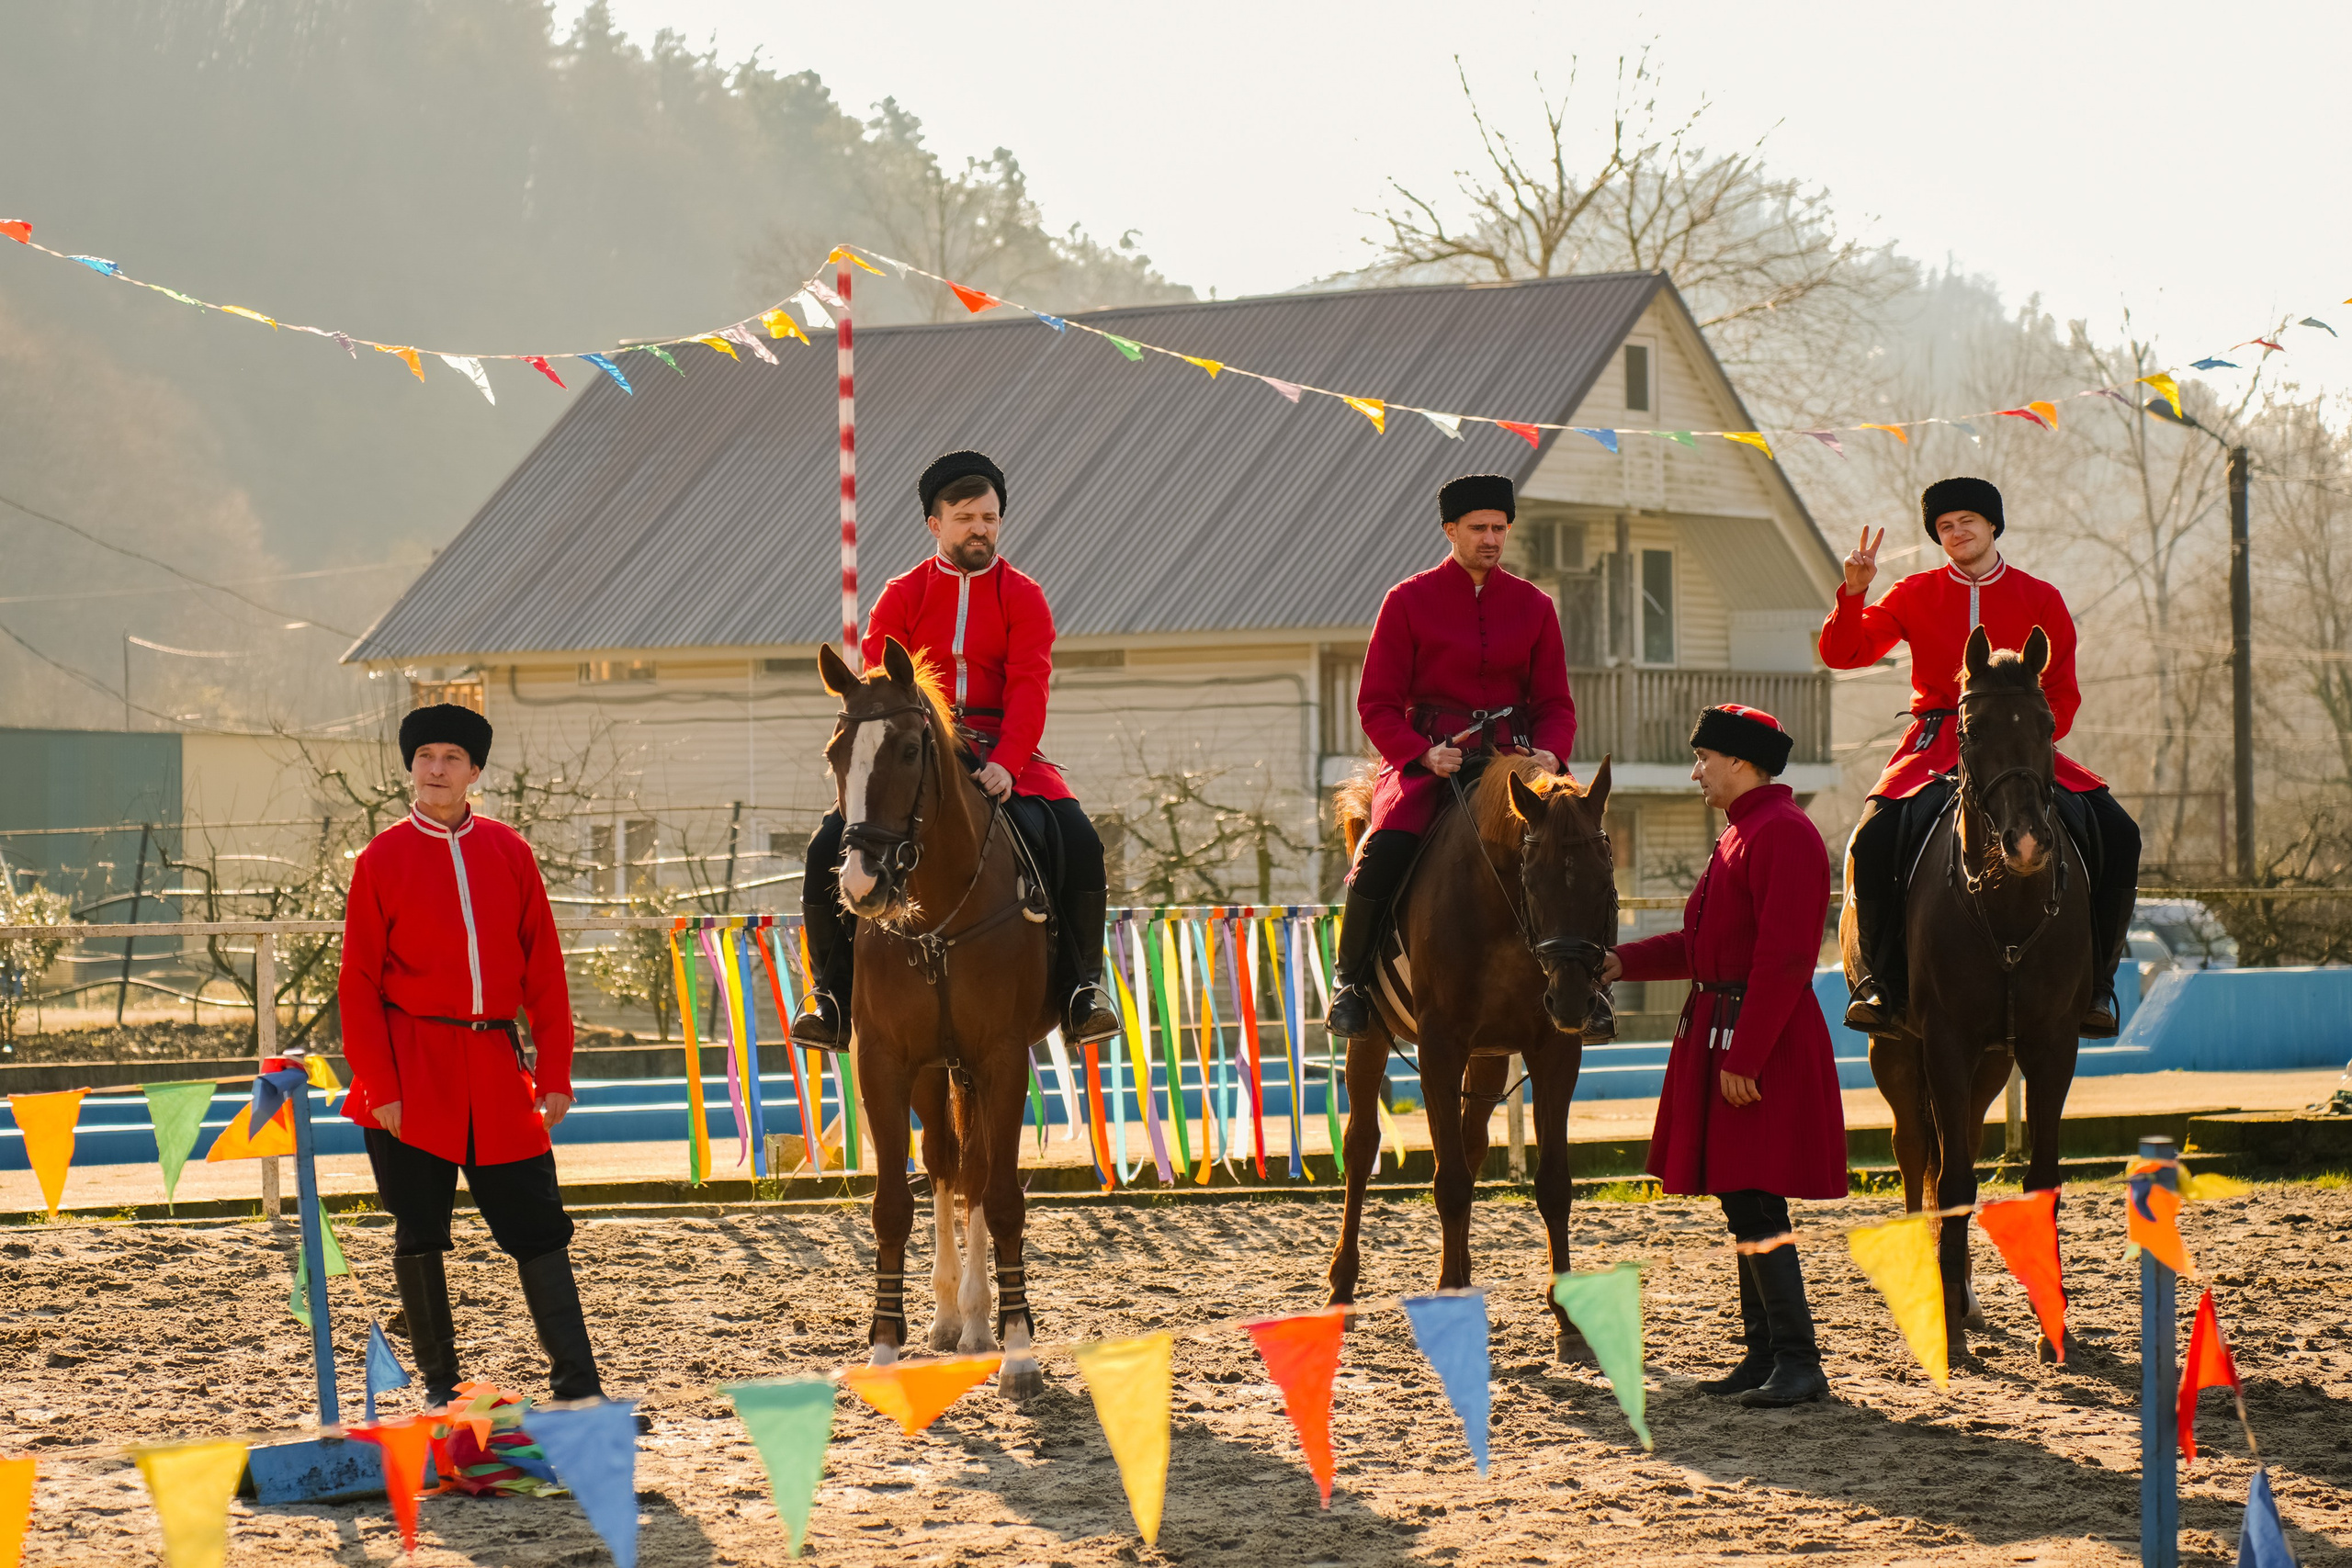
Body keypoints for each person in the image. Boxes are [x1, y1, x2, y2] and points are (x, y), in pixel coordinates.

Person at [792, 450, 1120, 1048]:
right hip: (916, 752)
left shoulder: (1024, 597)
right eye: (966, 517)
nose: (981, 528)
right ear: (934, 524)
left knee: (1080, 839)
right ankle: (832, 997)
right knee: (822, 849)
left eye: (990, 517)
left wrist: (1008, 763)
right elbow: (881, 692)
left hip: (1004, 752)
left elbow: (1029, 686)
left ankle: (1081, 990)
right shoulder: (901, 597)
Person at [338, 703, 605, 1409]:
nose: (436, 768)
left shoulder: (510, 853)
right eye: (425, 755)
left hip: (495, 1069)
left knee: (539, 1228)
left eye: (451, 757)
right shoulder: (380, 859)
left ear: (474, 772)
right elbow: (358, 984)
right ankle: (440, 1388)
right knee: (420, 1232)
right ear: (411, 766)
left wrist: (554, 1072)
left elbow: (544, 970)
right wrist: (380, 1083)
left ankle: (578, 1389)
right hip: (410, 1070)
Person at [1818, 477, 2141, 1035]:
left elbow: (2061, 693)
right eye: (1944, 527)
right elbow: (1844, 653)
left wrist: (2030, 739)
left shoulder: (2042, 597)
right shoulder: (1913, 592)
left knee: (2120, 831)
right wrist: (1853, 594)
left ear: (1993, 525)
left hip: (2020, 751)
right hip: (1934, 745)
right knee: (1870, 838)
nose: (1956, 532)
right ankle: (1877, 984)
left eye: (1966, 520)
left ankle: (2099, 987)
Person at [1604, 705, 1845, 1405]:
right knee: (1742, 1195)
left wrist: (1746, 1055)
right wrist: (1620, 962)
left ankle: (1799, 1361)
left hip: (1755, 1039)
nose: (1695, 770)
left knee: (1757, 1197)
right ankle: (1765, 1354)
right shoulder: (1743, 834)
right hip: (1724, 1029)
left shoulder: (1784, 834)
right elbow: (1702, 948)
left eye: (1704, 757)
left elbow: (1786, 957)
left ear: (1741, 761)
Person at [1327, 472, 1596, 1039]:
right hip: (1432, 763)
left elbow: (1556, 704)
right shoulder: (1406, 600)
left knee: (1580, 848)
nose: (1491, 539)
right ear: (1450, 529)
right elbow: (1374, 704)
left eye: (1500, 528)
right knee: (1384, 849)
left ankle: (1590, 988)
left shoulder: (1536, 606)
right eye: (1478, 528)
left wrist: (1551, 753)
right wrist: (1421, 755)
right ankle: (1351, 983)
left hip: (1517, 765)